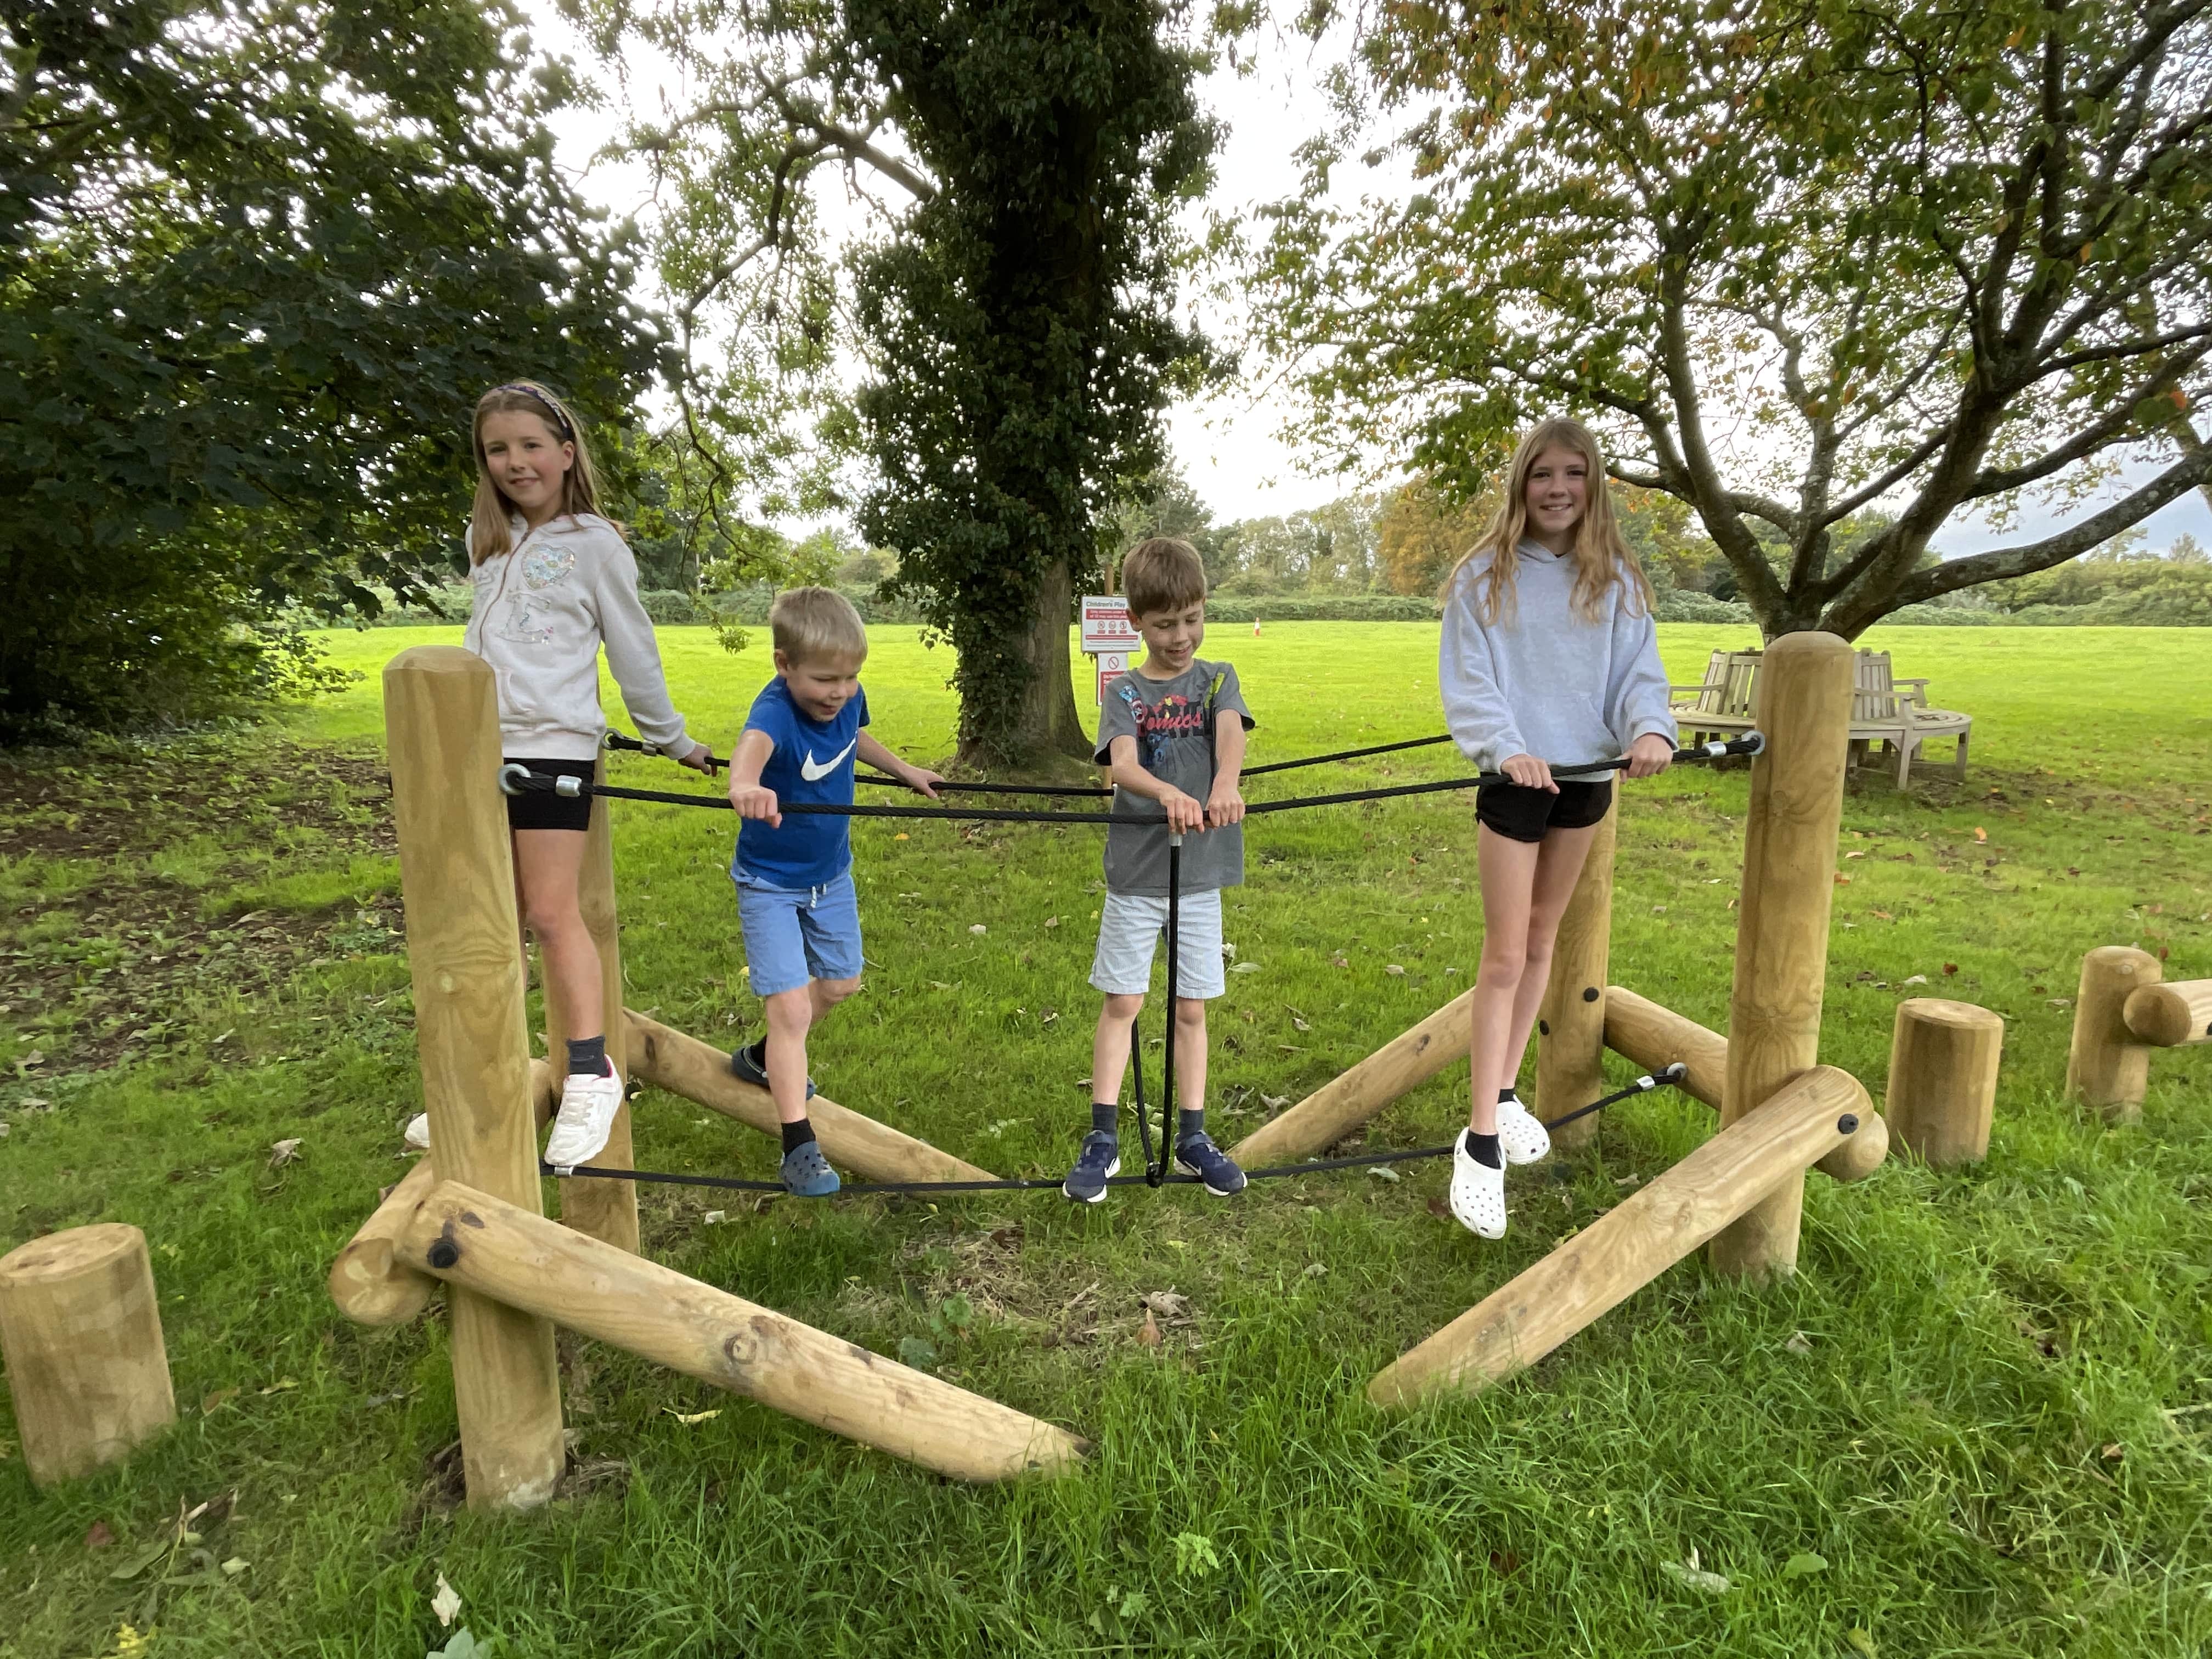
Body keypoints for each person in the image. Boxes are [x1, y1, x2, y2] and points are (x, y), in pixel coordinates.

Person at [405, 381, 713, 1165]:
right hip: (474, 752)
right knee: (488, 919)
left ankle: (590, 1072)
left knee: (549, 912)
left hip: (551, 748)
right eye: (498, 449)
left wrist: (670, 738)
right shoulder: (492, 540)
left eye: (531, 445)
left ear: (567, 451)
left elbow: (632, 648)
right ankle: (486, 1078)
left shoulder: (597, 544)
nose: (515, 462)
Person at [1437, 416, 1677, 1240]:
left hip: (1585, 781)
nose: (1558, 489)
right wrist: (1507, 749)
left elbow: (1639, 677)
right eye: (1544, 474)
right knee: (1505, 954)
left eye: (1574, 474)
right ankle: (1477, 1145)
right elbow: (1471, 684)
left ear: (1593, 483)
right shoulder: (1483, 577)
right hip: (1515, 783)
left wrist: (1651, 731)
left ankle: (1503, 1097)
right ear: (1522, 483)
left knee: (1543, 942)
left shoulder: (1616, 581)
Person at [725, 587, 942, 1195]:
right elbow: (749, 756)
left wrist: (906, 771)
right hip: (769, 885)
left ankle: (764, 1057)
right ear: (783, 665)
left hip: (831, 876)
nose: (839, 692)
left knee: (842, 983)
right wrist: (746, 786)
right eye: (824, 679)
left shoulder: (847, 698)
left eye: (850, 677)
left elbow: (855, 739)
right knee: (793, 1009)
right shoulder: (774, 714)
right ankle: (798, 1143)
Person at [1064, 537, 1255, 1204]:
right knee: (1124, 1001)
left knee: (1192, 1007)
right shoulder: (1125, 690)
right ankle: (1104, 1136)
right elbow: (1121, 763)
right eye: (1166, 623)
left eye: (1193, 619)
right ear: (1137, 623)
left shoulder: (1217, 679)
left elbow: (1230, 731)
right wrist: (1169, 793)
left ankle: (1194, 1136)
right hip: (1138, 876)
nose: (1182, 636)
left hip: (1200, 875)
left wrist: (1224, 783)